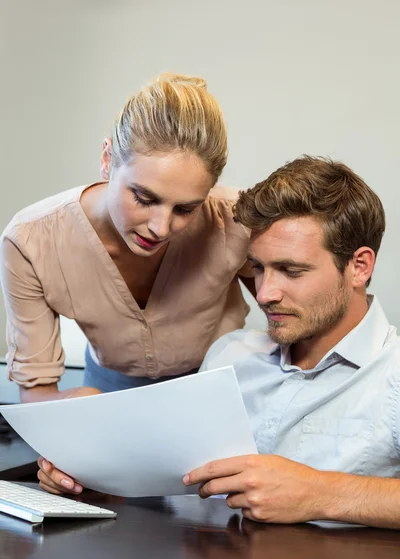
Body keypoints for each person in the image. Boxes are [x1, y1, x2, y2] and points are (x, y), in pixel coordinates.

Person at [0, 72, 255, 406]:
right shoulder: (31, 241)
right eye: (144, 199)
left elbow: (298, 332)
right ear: (107, 159)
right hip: (106, 389)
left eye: (186, 208)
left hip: (217, 385)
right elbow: (36, 393)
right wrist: (67, 417)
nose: (161, 229)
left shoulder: (236, 221)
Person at [183, 156, 400, 529]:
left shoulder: (393, 373)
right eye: (258, 268)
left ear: (359, 267)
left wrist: (319, 493)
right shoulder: (229, 355)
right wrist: (81, 469)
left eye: (291, 270)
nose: (265, 293)